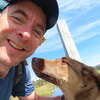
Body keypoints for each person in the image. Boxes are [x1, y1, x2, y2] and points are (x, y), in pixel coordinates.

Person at [0, 0, 63, 100]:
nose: (26, 35)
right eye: (17, 18)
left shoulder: (19, 69)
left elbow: (33, 98)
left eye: (37, 32)